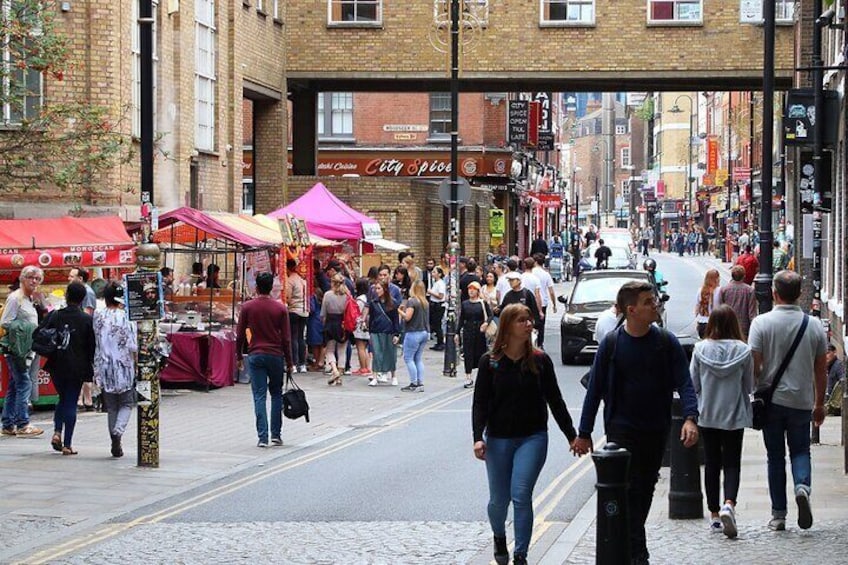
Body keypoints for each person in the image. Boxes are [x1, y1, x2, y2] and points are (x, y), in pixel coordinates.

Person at [573, 280, 699, 565]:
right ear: (631, 310)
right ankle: (637, 554)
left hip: (655, 429)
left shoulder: (665, 342)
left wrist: (690, 418)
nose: (654, 304)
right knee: (627, 489)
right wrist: (584, 432)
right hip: (620, 429)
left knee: (644, 489)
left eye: (653, 300)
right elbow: (595, 390)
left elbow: (685, 382)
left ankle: (632, 546)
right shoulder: (612, 343)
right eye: (647, 302)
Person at [472, 304, 578, 565]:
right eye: (522, 320)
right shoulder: (490, 363)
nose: (529, 324)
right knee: (499, 500)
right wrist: (477, 436)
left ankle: (521, 555)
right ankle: (499, 536)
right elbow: (480, 403)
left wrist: (572, 435)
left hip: (533, 437)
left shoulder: (540, 361)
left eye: (530, 320)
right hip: (498, 438)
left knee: (520, 494)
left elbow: (555, 400)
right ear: (508, 326)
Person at [748, 270, 827, 531]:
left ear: (774, 293)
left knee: (775, 457)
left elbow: (755, 367)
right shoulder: (814, 325)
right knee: (801, 451)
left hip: (771, 402)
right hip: (801, 402)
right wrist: (819, 403)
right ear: (799, 294)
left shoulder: (761, 323)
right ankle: (802, 486)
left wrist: (758, 383)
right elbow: (820, 369)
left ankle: (779, 515)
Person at [690, 305, 754, 538]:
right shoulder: (743, 350)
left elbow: (693, 384)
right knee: (732, 462)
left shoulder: (700, 349)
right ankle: (729, 504)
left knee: (712, 464)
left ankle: (715, 515)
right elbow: (749, 386)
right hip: (734, 415)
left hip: (707, 414)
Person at [236, 272, 293, 448]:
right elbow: (286, 338)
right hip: (275, 355)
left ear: (256, 287)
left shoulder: (247, 307)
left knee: (259, 395)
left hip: (255, 354)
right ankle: (276, 434)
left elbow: (239, 335)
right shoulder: (280, 308)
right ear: (271, 288)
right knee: (276, 394)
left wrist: (238, 356)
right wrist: (290, 362)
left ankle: (262, 437)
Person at [42, 282, 96, 455]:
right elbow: (91, 347)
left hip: (57, 364)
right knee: (70, 402)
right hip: (77, 367)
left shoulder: (55, 315)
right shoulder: (87, 320)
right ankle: (67, 444)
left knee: (63, 398)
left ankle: (57, 431)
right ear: (82, 299)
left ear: (66, 296)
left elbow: (41, 333)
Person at [93, 282, 137, 458]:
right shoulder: (127, 317)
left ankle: (114, 439)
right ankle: (118, 432)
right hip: (123, 366)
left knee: (111, 406)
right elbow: (133, 345)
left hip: (103, 365)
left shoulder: (98, 315)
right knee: (126, 403)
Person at [0, 265, 44, 437]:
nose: (34, 281)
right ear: (22, 279)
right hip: (16, 349)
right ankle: (23, 423)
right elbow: (6, 322)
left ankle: (8, 423)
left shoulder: (29, 299)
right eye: (31, 277)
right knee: (24, 383)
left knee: (15, 384)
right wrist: (25, 329)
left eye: (37, 279)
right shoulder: (15, 299)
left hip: (25, 349)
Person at [456, 281, 489, 390]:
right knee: (468, 354)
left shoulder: (482, 303)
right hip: (468, 331)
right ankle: (468, 377)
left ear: (478, 291)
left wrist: (486, 323)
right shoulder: (465, 304)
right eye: (469, 289)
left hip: (480, 331)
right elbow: (461, 319)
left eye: (473, 289)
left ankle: (482, 376)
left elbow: (490, 315)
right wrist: (457, 333)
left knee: (480, 354)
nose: (471, 291)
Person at [398, 281, 429, 392]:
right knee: (418, 358)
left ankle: (413, 383)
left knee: (408, 358)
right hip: (424, 332)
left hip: (413, 333)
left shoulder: (412, 301)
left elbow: (407, 317)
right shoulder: (424, 302)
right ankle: (420, 383)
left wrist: (400, 311)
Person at [320, 273, 351, 386]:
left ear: (332, 283)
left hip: (331, 323)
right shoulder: (347, 295)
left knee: (330, 350)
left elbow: (323, 313)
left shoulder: (328, 295)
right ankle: (339, 376)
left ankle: (334, 370)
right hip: (344, 323)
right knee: (342, 350)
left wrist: (323, 324)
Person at [368, 280, 400, 387]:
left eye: (378, 288)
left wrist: (396, 334)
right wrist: (370, 331)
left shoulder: (393, 303)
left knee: (390, 353)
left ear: (385, 289)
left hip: (389, 331)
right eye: (375, 288)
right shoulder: (373, 303)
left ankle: (394, 376)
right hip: (376, 331)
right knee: (376, 354)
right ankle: (375, 376)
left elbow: (396, 319)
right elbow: (371, 318)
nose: (376, 291)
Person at [718, 266, 758, 338]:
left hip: (728, 325)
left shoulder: (724, 289)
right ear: (744, 276)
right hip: (744, 327)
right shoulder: (749, 290)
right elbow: (752, 312)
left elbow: (721, 309)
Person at [285, 259, 309, 373]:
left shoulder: (290, 280)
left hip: (294, 310)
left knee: (293, 337)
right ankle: (302, 364)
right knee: (301, 337)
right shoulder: (302, 280)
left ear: (288, 268)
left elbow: (287, 297)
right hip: (304, 311)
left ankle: (294, 363)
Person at [531, 254, 556, 349]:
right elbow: (551, 291)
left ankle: (531, 343)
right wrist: (554, 304)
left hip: (531, 301)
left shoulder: (531, 273)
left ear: (535, 262)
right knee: (541, 325)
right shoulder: (546, 274)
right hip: (543, 303)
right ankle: (540, 344)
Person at [351, 277, 372, 378]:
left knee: (361, 347)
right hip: (367, 325)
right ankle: (366, 367)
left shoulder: (360, 299)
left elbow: (357, 312)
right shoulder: (368, 297)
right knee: (365, 347)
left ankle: (363, 368)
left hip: (360, 325)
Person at [694, 269, 721, 339]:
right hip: (716, 323)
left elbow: (697, 307)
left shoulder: (700, 290)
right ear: (717, 279)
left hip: (702, 323)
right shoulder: (720, 291)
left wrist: (697, 321)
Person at [306, 286, 325, 372]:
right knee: (321, 343)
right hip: (321, 319)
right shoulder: (321, 295)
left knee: (315, 344)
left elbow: (312, 309)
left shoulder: (312, 296)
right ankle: (321, 362)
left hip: (314, 321)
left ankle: (317, 363)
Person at [427, 266, 446, 351]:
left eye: (435, 272)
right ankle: (438, 342)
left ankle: (441, 343)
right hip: (433, 304)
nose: (432, 273)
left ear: (439, 274)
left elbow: (440, 296)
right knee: (435, 324)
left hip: (438, 305)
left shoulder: (441, 283)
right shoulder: (436, 282)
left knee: (438, 325)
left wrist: (431, 292)